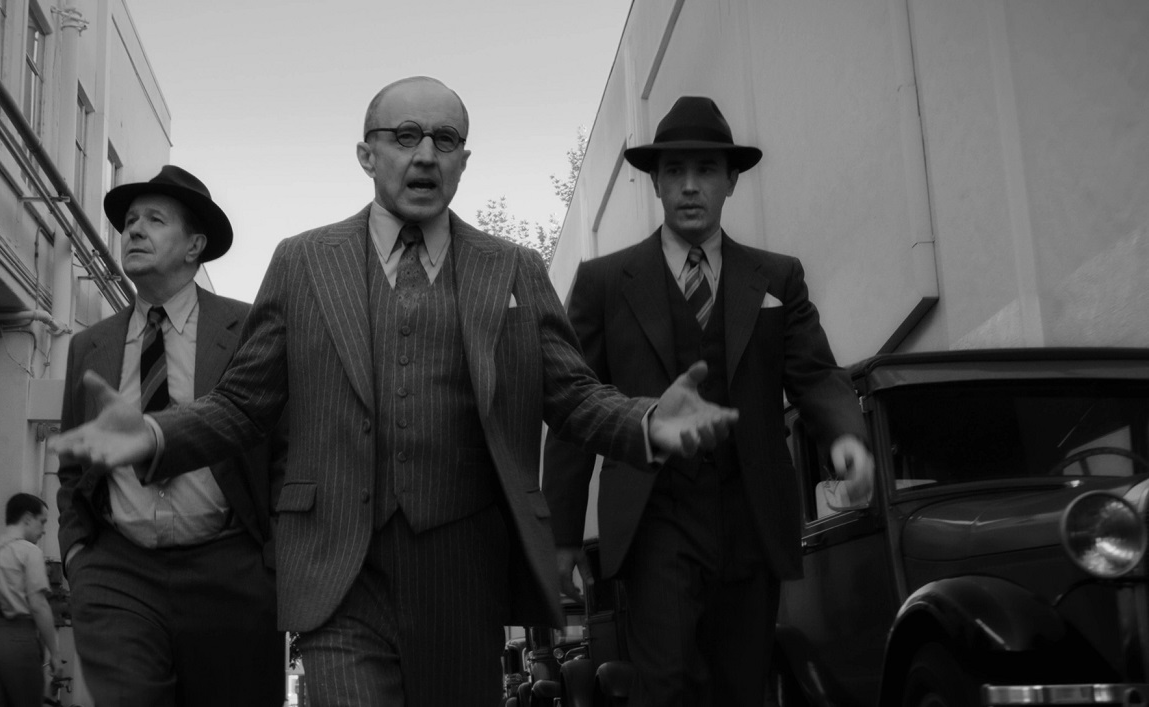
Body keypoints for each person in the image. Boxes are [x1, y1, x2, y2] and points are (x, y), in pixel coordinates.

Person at [51, 76, 737, 707]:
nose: (426, 154)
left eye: (446, 140)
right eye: (405, 136)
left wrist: (646, 422)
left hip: (461, 568)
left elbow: (574, 394)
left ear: (464, 161)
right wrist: (158, 432)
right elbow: (242, 402)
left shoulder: (513, 269)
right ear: (366, 154)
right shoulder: (302, 262)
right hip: (338, 569)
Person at [542, 95, 875, 707]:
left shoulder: (777, 278)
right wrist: (561, 536)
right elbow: (572, 409)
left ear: (731, 181)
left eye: (706, 171)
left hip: (752, 516)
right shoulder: (603, 283)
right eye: (674, 171)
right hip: (655, 518)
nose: (690, 186)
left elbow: (816, 374)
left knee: (742, 688)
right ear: (655, 182)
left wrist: (847, 438)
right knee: (665, 686)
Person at [56, 165, 283, 706]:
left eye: (155, 220)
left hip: (230, 570)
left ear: (194, 246)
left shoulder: (249, 329)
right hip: (119, 568)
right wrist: (78, 555)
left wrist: (272, 564)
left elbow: (283, 450)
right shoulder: (89, 346)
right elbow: (73, 469)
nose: (134, 229)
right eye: (131, 220)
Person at [0, 493, 64, 707]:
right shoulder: (29, 551)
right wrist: (55, 654)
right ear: (27, 518)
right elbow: (38, 605)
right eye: (42, 521)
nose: (44, 529)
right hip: (18, 639)